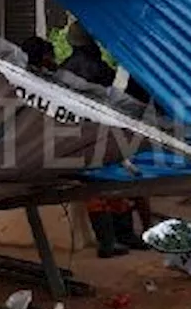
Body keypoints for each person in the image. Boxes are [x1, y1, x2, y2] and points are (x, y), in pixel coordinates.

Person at [58, 21, 143, 256]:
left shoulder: (65, 67)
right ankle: (113, 240)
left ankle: (114, 239)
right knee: (106, 183)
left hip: (81, 131)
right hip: (99, 128)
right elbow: (115, 91)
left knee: (101, 183)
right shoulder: (93, 66)